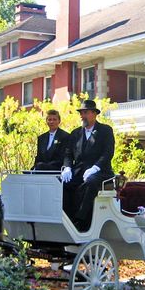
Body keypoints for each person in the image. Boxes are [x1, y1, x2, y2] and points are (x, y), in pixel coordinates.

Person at [60, 99, 115, 231]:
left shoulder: (105, 131)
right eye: (81, 113)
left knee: (90, 183)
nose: (82, 116)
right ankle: (65, 218)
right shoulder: (75, 133)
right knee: (62, 183)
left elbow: (107, 153)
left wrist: (95, 168)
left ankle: (81, 220)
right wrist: (67, 167)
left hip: (100, 172)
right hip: (79, 171)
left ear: (94, 114)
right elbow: (68, 154)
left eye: (85, 113)